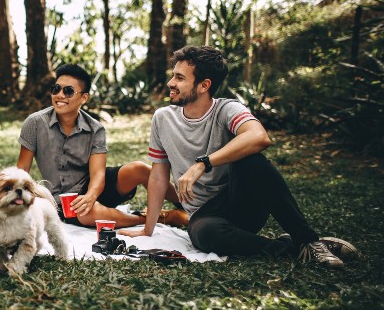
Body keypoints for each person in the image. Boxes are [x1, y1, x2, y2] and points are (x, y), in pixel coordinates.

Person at [120, 45, 357, 267]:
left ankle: (309, 239)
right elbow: (159, 177)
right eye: (173, 75)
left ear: (204, 85)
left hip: (242, 203)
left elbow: (259, 137)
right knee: (205, 234)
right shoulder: (163, 118)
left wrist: (203, 164)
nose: (171, 82)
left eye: (180, 78)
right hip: (205, 216)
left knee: (251, 159)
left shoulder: (227, 109)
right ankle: (294, 246)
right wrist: (147, 229)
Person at [17, 63, 185, 228]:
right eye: (56, 89)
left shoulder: (95, 128)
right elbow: (21, 170)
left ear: (84, 98)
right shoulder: (35, 123)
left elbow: (98, 175)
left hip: (94, 187)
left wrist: (90, 196)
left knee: (139, 169)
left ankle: (187, 204)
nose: (60, 95)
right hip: (63, 200)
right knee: (87, 213)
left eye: (67, 91)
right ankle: (160, 218)